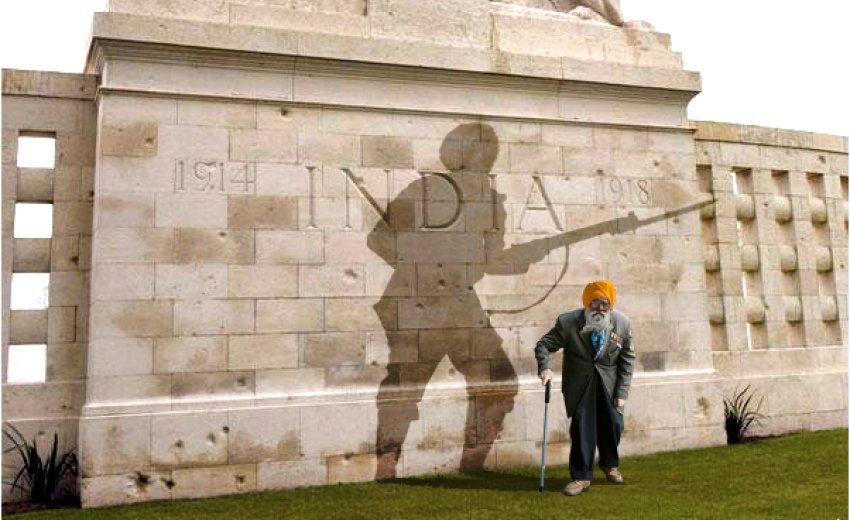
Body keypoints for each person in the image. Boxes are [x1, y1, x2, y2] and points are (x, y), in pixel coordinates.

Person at [534, 280, 635, 496]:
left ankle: (609, 464)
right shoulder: (568, 322)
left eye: (605, 304)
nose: (599, 308)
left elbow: (627, 359)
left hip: (609, 383)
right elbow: (544, 345)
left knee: (614, 425)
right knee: (582, 428)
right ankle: (581, 476)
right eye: (594, 303)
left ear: (611, 304)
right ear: (586, 302)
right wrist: (545, 368)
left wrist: (622, 392)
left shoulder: (622, 323)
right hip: (580, 384)